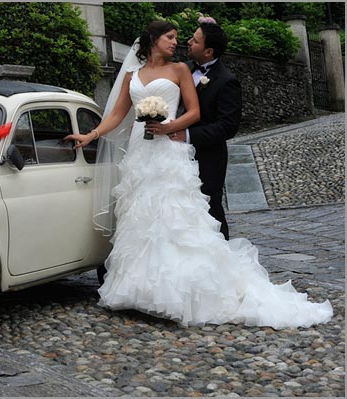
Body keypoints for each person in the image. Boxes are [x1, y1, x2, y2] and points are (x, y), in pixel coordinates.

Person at [64, 21, 332, 329]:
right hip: (140, 151)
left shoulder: (179, 70)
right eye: (171, 37)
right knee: (142, 216)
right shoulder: (130, 75)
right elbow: (116, 114)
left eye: (182, 38)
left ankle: (180, 293)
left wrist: (169, 127)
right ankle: (140, 291)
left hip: (168, 150)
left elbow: (194, 112)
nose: (177, 42)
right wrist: (91, 135)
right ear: (152, 39)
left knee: (174, 216)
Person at [169, 22, 242, 240]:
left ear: (209, 51)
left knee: (210, 209)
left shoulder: (227, 81)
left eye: (195, 40)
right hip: (171, 153)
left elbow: (228, 126)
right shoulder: (183, 68)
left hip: (207, 156)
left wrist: (188, 136)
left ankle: (223, 259)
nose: (189, 42)